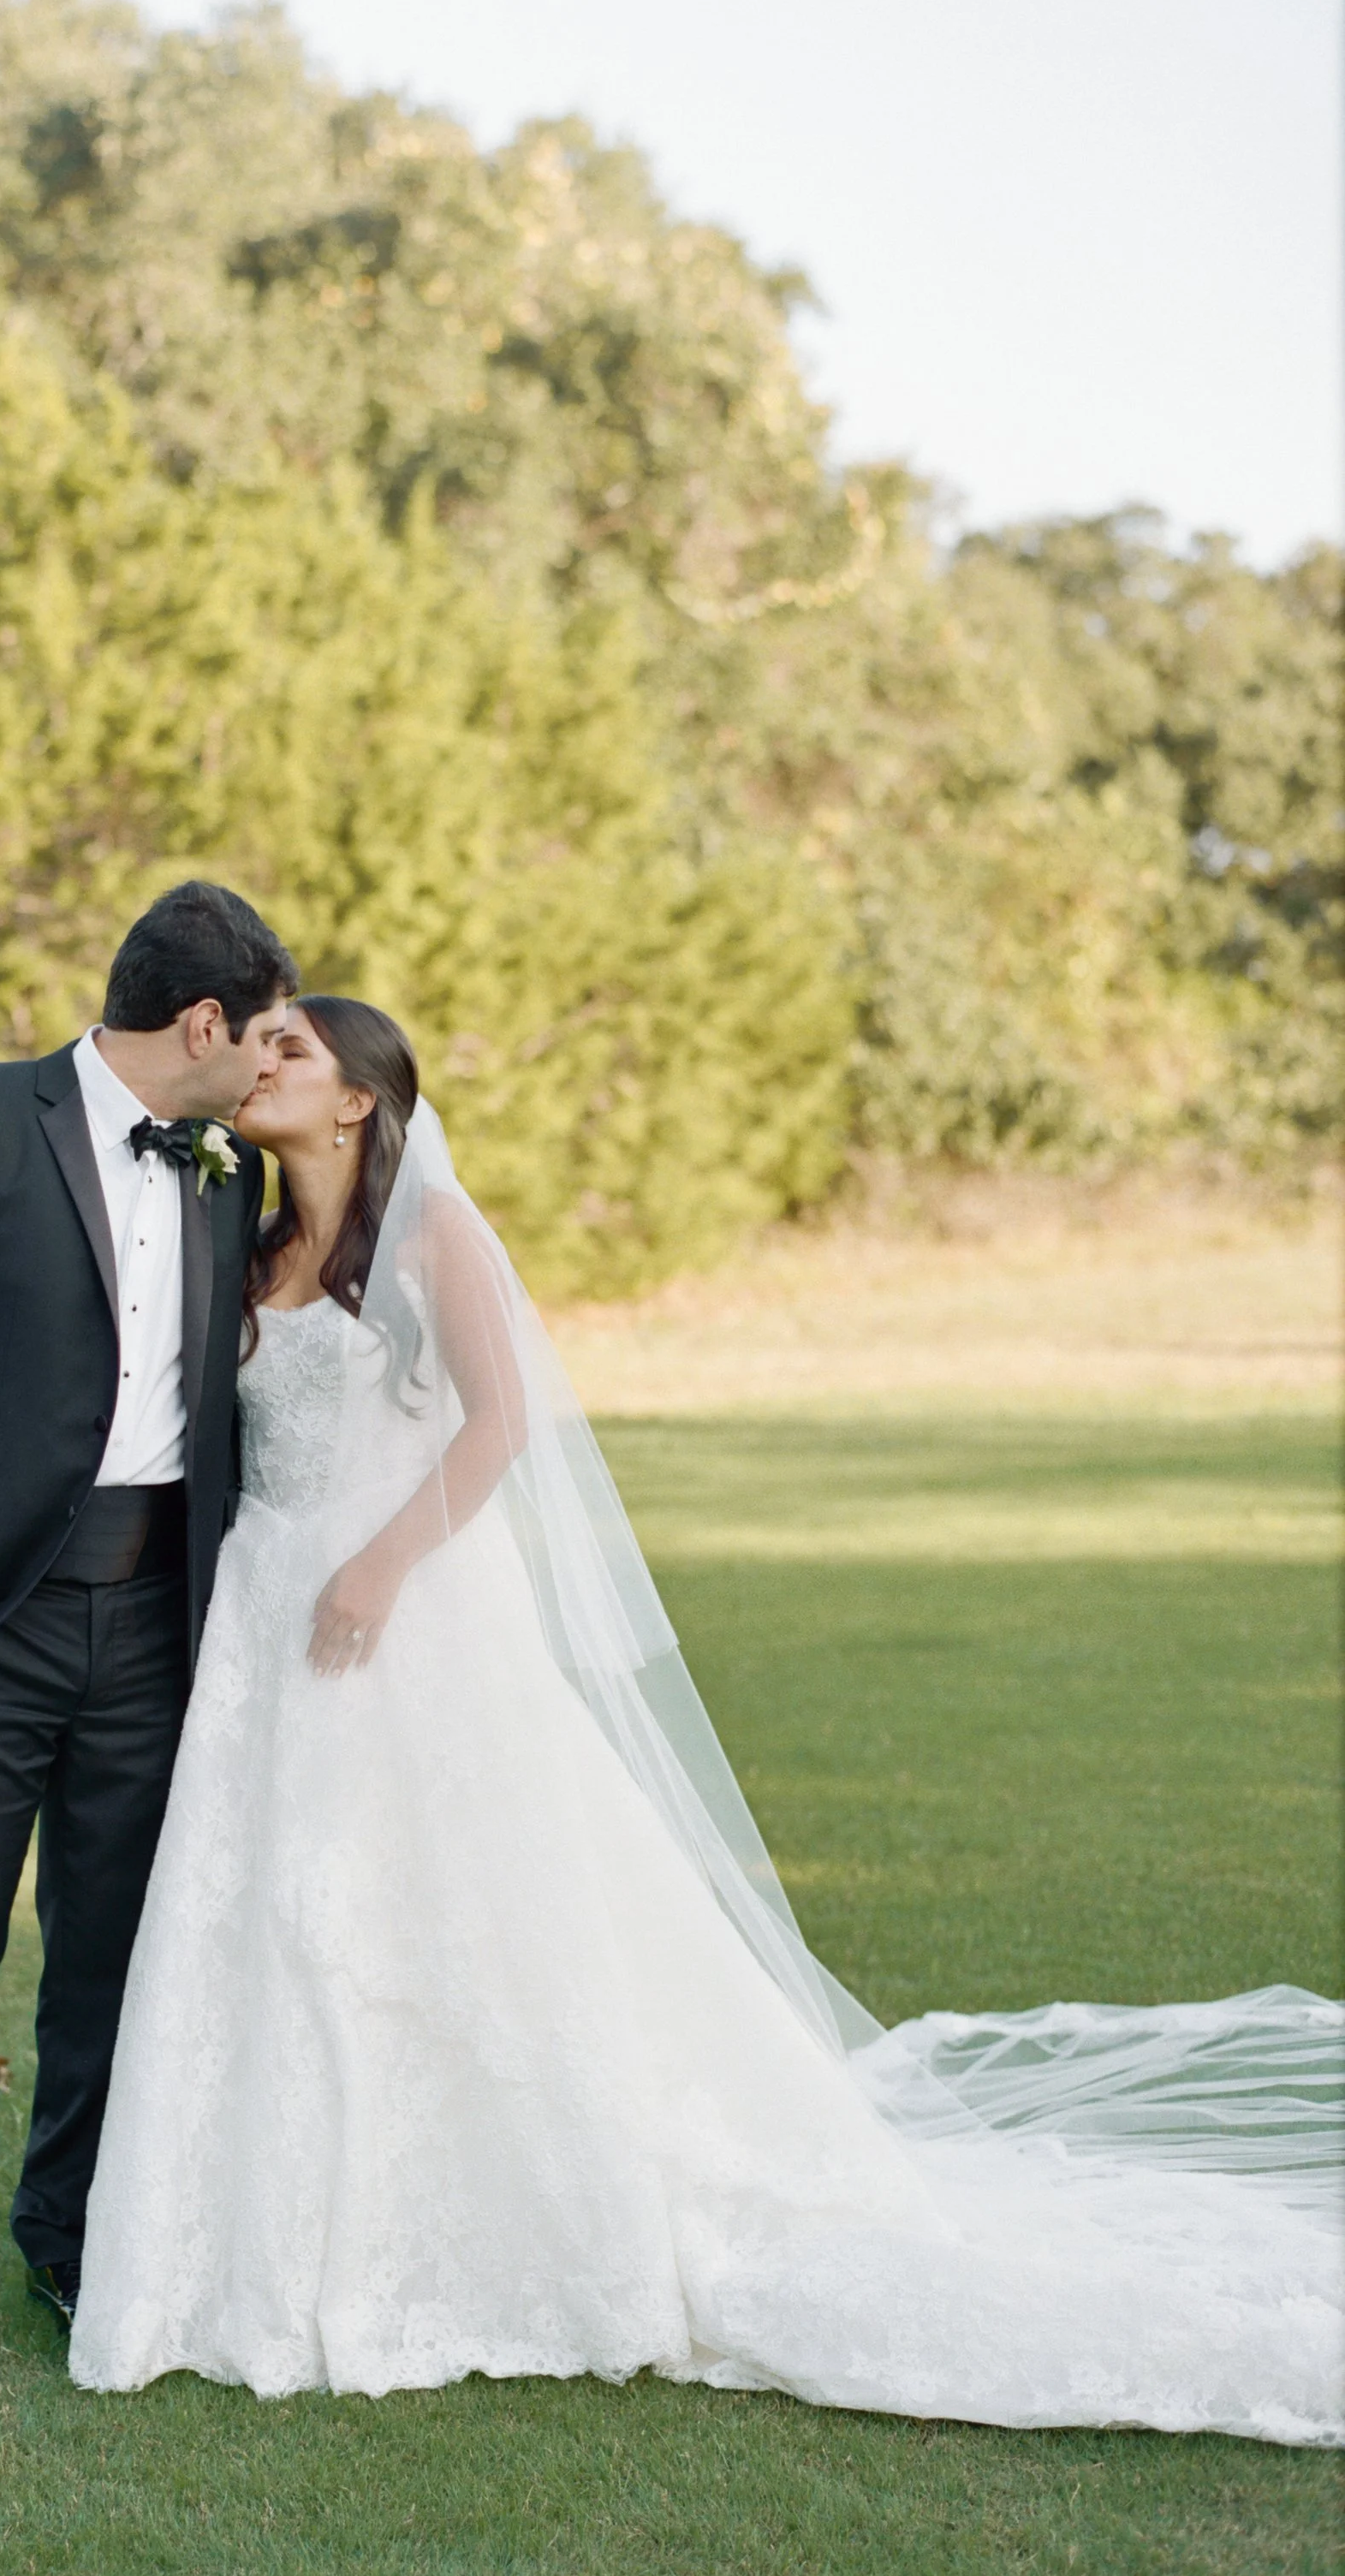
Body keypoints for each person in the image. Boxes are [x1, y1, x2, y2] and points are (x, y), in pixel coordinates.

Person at [70, 996, 1343, 2445]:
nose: (262, 1063)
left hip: (400, 1604)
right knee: (278, 1914)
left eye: (293, 1049)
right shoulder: (255, 1247)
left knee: (446, 1913)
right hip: (266, 1617)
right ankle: (251, 2243)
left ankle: (512, 2223)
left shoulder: (433, 1237)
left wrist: (379, 1563)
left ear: (359, 1101)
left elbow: (501, 1422)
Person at [0, 882, 295, 2389]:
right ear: (203, 1025)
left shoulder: (227, 1173)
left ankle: (71, 2238)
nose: (270, 1067)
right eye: (262, 1034)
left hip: (160, 1621)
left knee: (113, 1950)